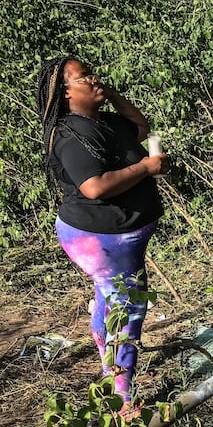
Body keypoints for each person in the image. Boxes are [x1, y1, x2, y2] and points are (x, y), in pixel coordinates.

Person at [36, 57, 168, 410]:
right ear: (65, 93)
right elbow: (94, 187)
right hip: (102, 239)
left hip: (115, 238)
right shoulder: (71, 135)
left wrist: (110, 93)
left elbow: (139, 125)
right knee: (128, 310)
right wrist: (145, 167)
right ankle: (123, 399)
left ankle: (108, 362)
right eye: (85, 78)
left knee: (110, 298)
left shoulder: (104, 121)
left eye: (95, 75)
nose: (95, 80)